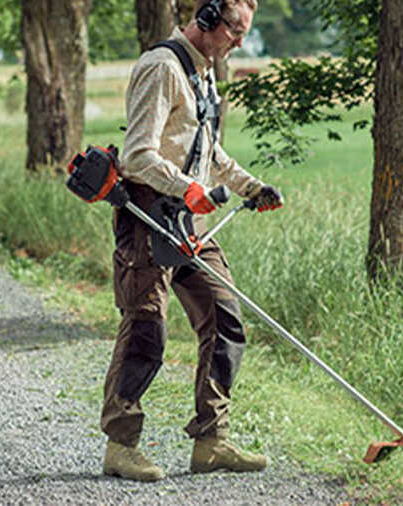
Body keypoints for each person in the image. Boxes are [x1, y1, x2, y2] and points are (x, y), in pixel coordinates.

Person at [101, 0, 284, 482]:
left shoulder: (204, 72)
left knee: (225, 318)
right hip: (147, 216)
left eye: (245, 33)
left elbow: (209, 148)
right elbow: (137, 155)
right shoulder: (160, 67)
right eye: (235, 30)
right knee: (147, 330)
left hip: (189, 222)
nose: (240, 42)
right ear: (205, 19)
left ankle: (212, 441)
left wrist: (251, 186)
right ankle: (121, 445)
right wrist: (190, 189)